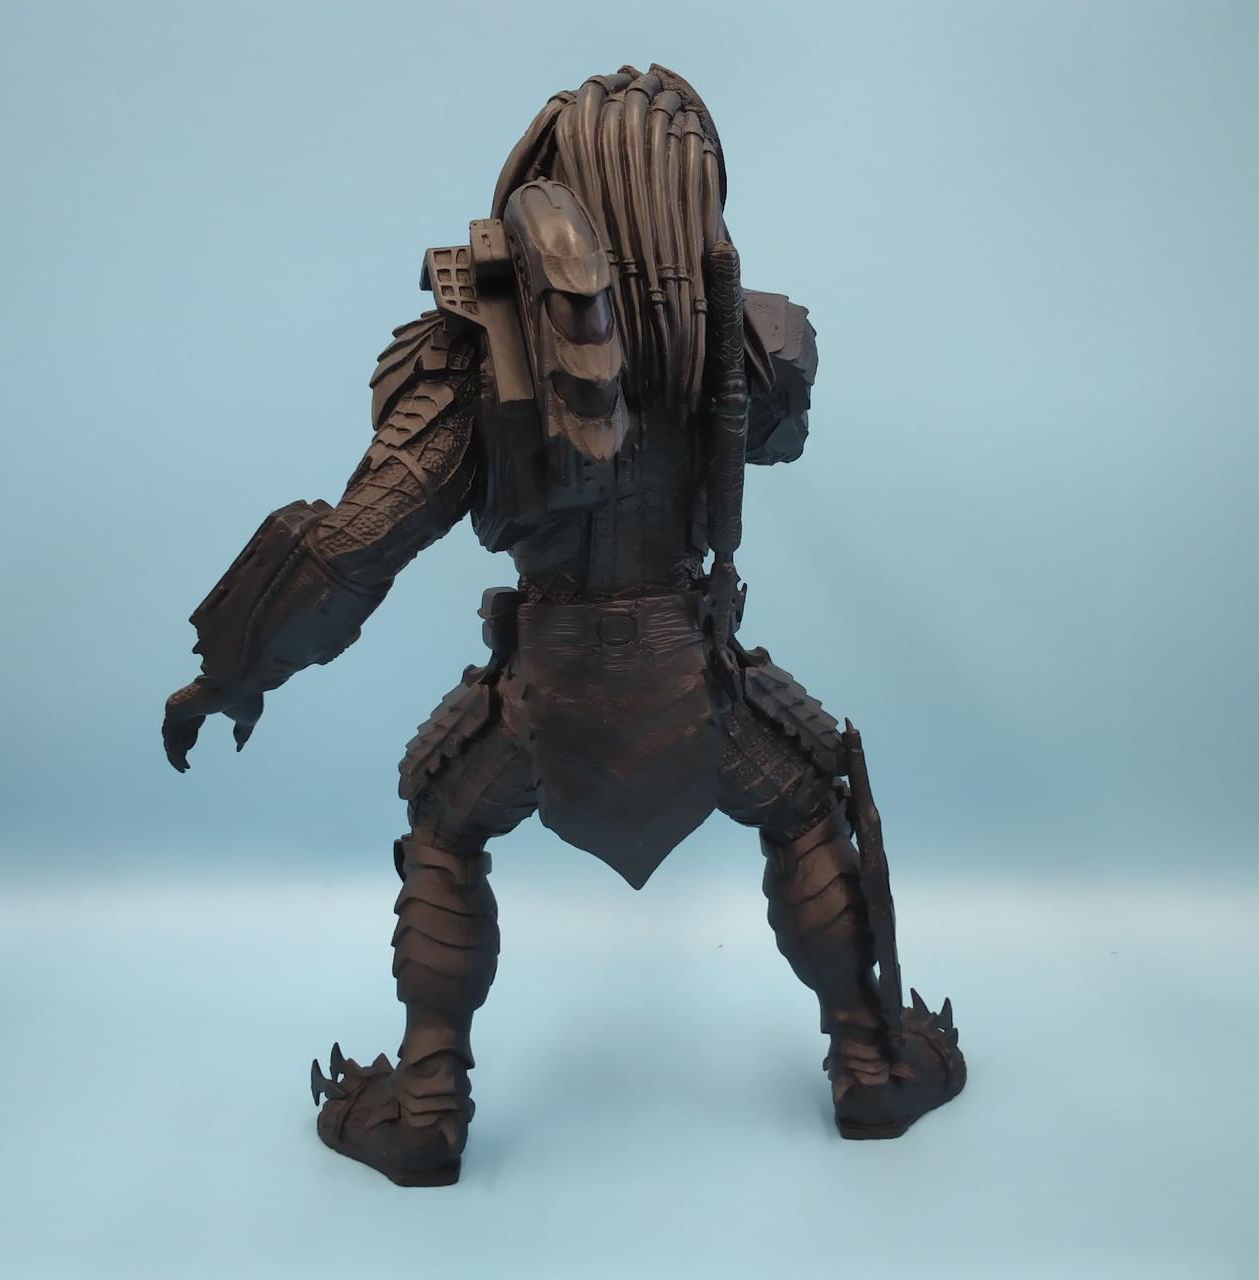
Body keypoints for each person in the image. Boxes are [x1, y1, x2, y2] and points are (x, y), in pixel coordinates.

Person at [163, 64, 964, 1187]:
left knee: (443, 824)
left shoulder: (470, 351)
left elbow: (357, 544)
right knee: (806, 804)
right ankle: (867, 1056)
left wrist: (235, 671)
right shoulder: (748, 340)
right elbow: (774, 433)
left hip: (544, 694)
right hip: (698, 684)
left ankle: (429, 1098)